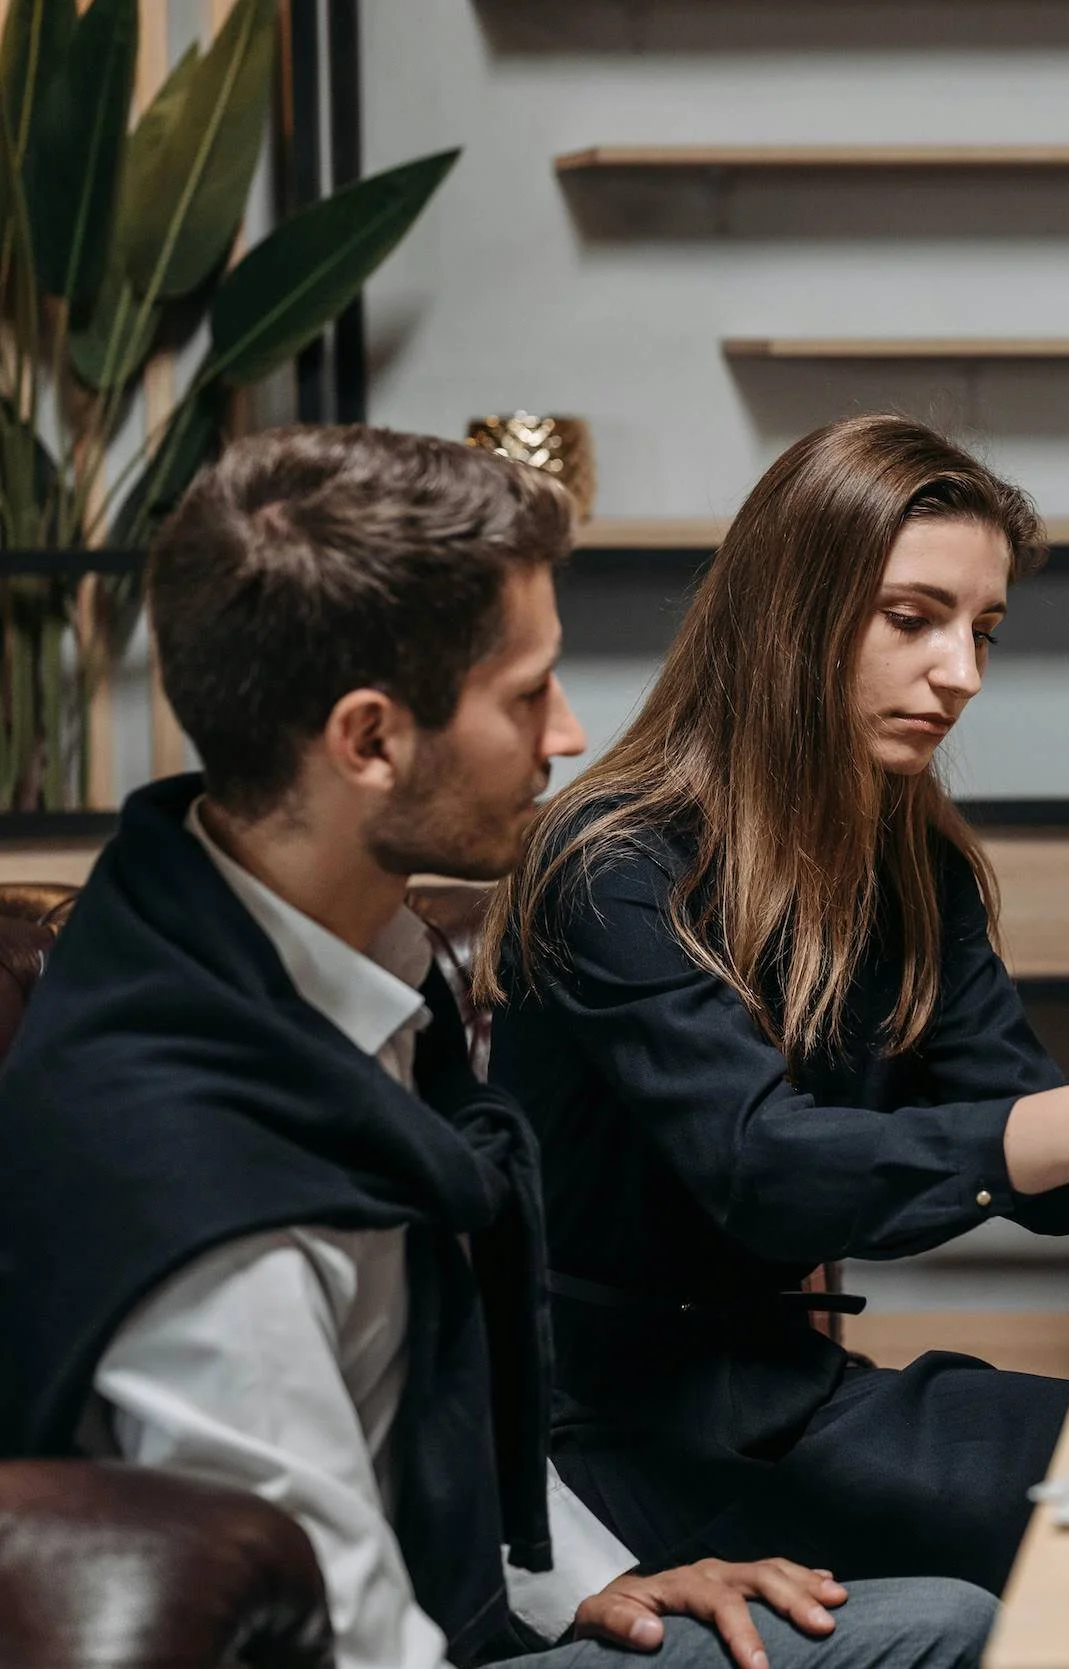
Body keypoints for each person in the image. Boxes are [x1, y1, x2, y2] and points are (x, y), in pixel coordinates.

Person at [0, 425, 997, 1669]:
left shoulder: (300, 959)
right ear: (369, 740)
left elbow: (436, 1403)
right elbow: (340, 1635)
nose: (569, 733)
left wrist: (601, 1580)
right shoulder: (208, 1193)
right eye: (528, 693)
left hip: (489, 1580)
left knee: (952, 1620)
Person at [478, 415, 1069, 1596]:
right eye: (914, 620)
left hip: (788, 1390)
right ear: (791, 612)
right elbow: (763, 1169)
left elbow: (1035, 1167)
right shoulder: (610, 865)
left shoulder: (910, 860)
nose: (962, 675)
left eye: (983, 631)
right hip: (613, 1444)